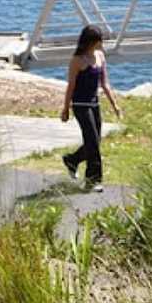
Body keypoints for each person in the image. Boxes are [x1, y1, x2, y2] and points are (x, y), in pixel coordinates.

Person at [61, 25, 122, 192]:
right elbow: (71, 86)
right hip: (80, 105)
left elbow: (104, 83)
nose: (101, 43)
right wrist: (66, 108)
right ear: (91, 42)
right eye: (98, 40)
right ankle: (93, 180)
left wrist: (114, 104)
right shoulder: (77, 60)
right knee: (93, 142)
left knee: (94, 141)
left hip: (95, 103)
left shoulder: (101, 56)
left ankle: (72, 160)